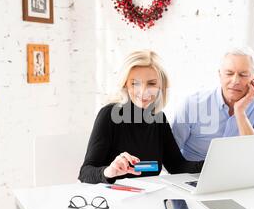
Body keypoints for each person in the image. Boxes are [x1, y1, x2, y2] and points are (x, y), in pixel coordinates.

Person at [79, 50, 204, 184]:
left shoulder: (159, 119)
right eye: (135, 83)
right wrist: (109, 171)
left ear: (161, 87)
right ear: (125, 85)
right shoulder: (109, 115)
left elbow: (177, 166)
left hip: (149, 197)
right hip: (115, 198)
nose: (143, 91)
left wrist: (211, 165)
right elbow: (85, 172)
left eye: (151, 84)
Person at [171, 47, 254, 161]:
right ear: (220, 74)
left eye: (243, 75)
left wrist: (240, 112)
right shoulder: (192, 104)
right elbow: (169, 154)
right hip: (192, 175)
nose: (235, 81)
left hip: (238, 176)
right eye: (229, 73)